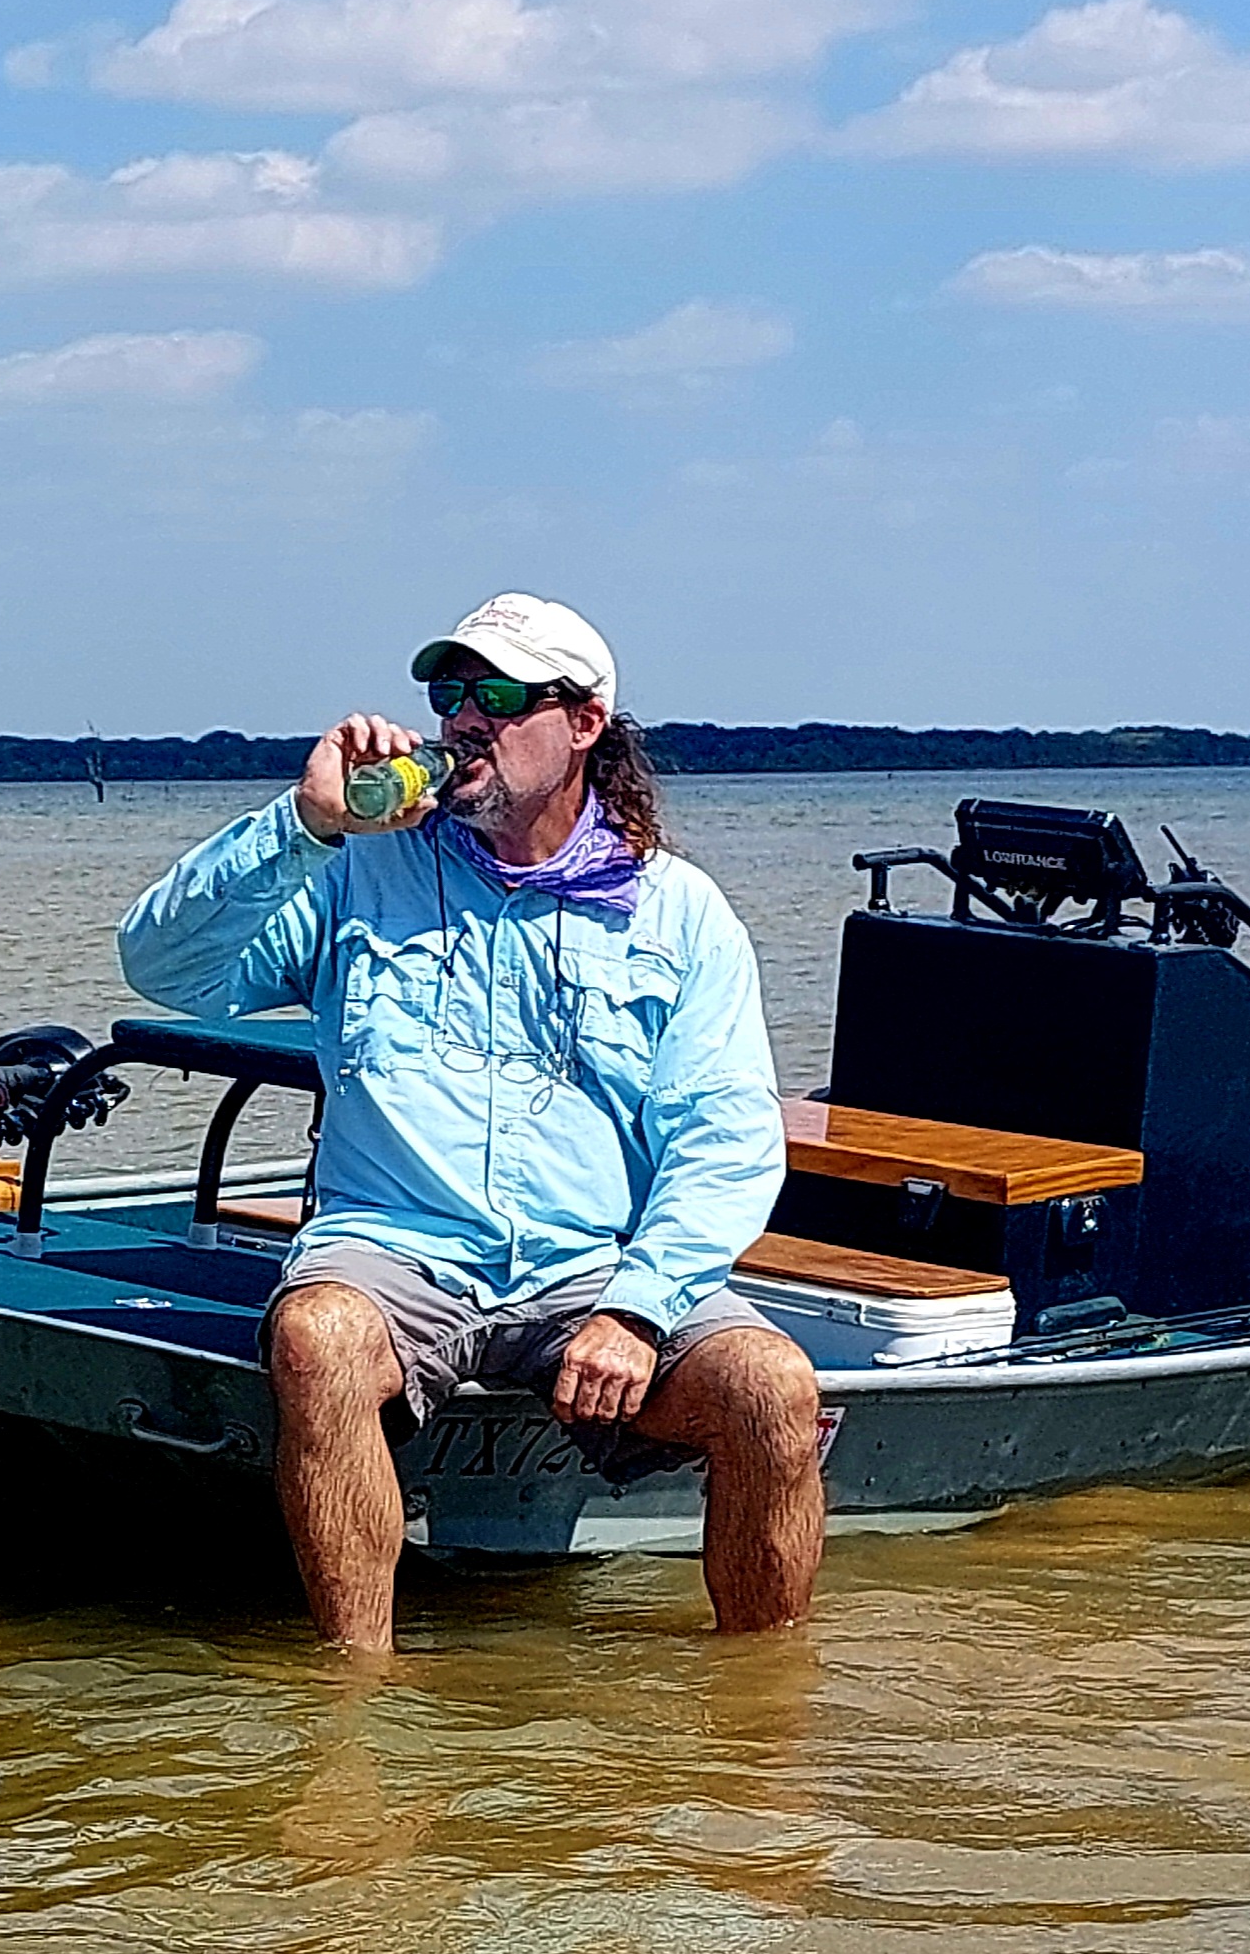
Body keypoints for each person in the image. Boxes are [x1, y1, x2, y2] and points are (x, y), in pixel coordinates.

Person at [116, 593, 824, 1650]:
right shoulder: (356, 868)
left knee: (771, 1386)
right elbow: (163, 966)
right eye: (450, 692)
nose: (464, 718)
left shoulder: (679, 911)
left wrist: (638, 1310)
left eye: (499, 694)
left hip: (594, 1263)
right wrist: (305, 823)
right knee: (317, 1335)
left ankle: (761, 1712)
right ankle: (356, 1700)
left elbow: (724, 1143)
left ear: (583, 723)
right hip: (395, 1249)